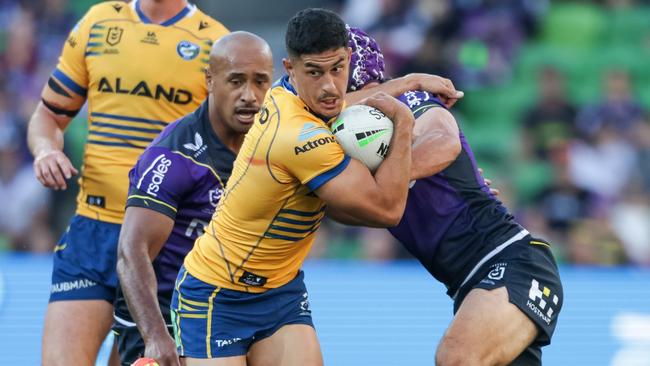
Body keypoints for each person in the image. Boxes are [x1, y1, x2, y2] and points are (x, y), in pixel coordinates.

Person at [172, 8, 416, 365]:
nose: (331, 85)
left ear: (349, 58)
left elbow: (342, 101)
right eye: (314, 72)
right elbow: (388, 209)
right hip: (217, 293)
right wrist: (404, 124)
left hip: (280, 291)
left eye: (338, 68)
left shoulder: (283, 94)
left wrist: (407, 83)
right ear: (290, 69)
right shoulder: (299, 137)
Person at [345, 26, 563, 365]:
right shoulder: (330, 145)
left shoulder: (408, 101)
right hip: (469, 285)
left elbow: (443, 143)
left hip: (512, 260)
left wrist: (389, 181)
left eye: (332, 71)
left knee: (457, 358)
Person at [26, 1, 228, 364]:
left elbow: (234, 140)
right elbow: (48, 117)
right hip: (94, 230)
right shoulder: (99, 22)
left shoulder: (215, 42)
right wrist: (44, 151)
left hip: (164, 246)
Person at [114, 31, 273, 366]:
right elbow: (131, 251)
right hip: (163, 311)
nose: (250, 95)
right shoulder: (173, 156)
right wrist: (156, 334)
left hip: (228, 305)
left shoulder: (273, 139)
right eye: (236, 81)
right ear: (210, 81)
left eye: (260, 82)